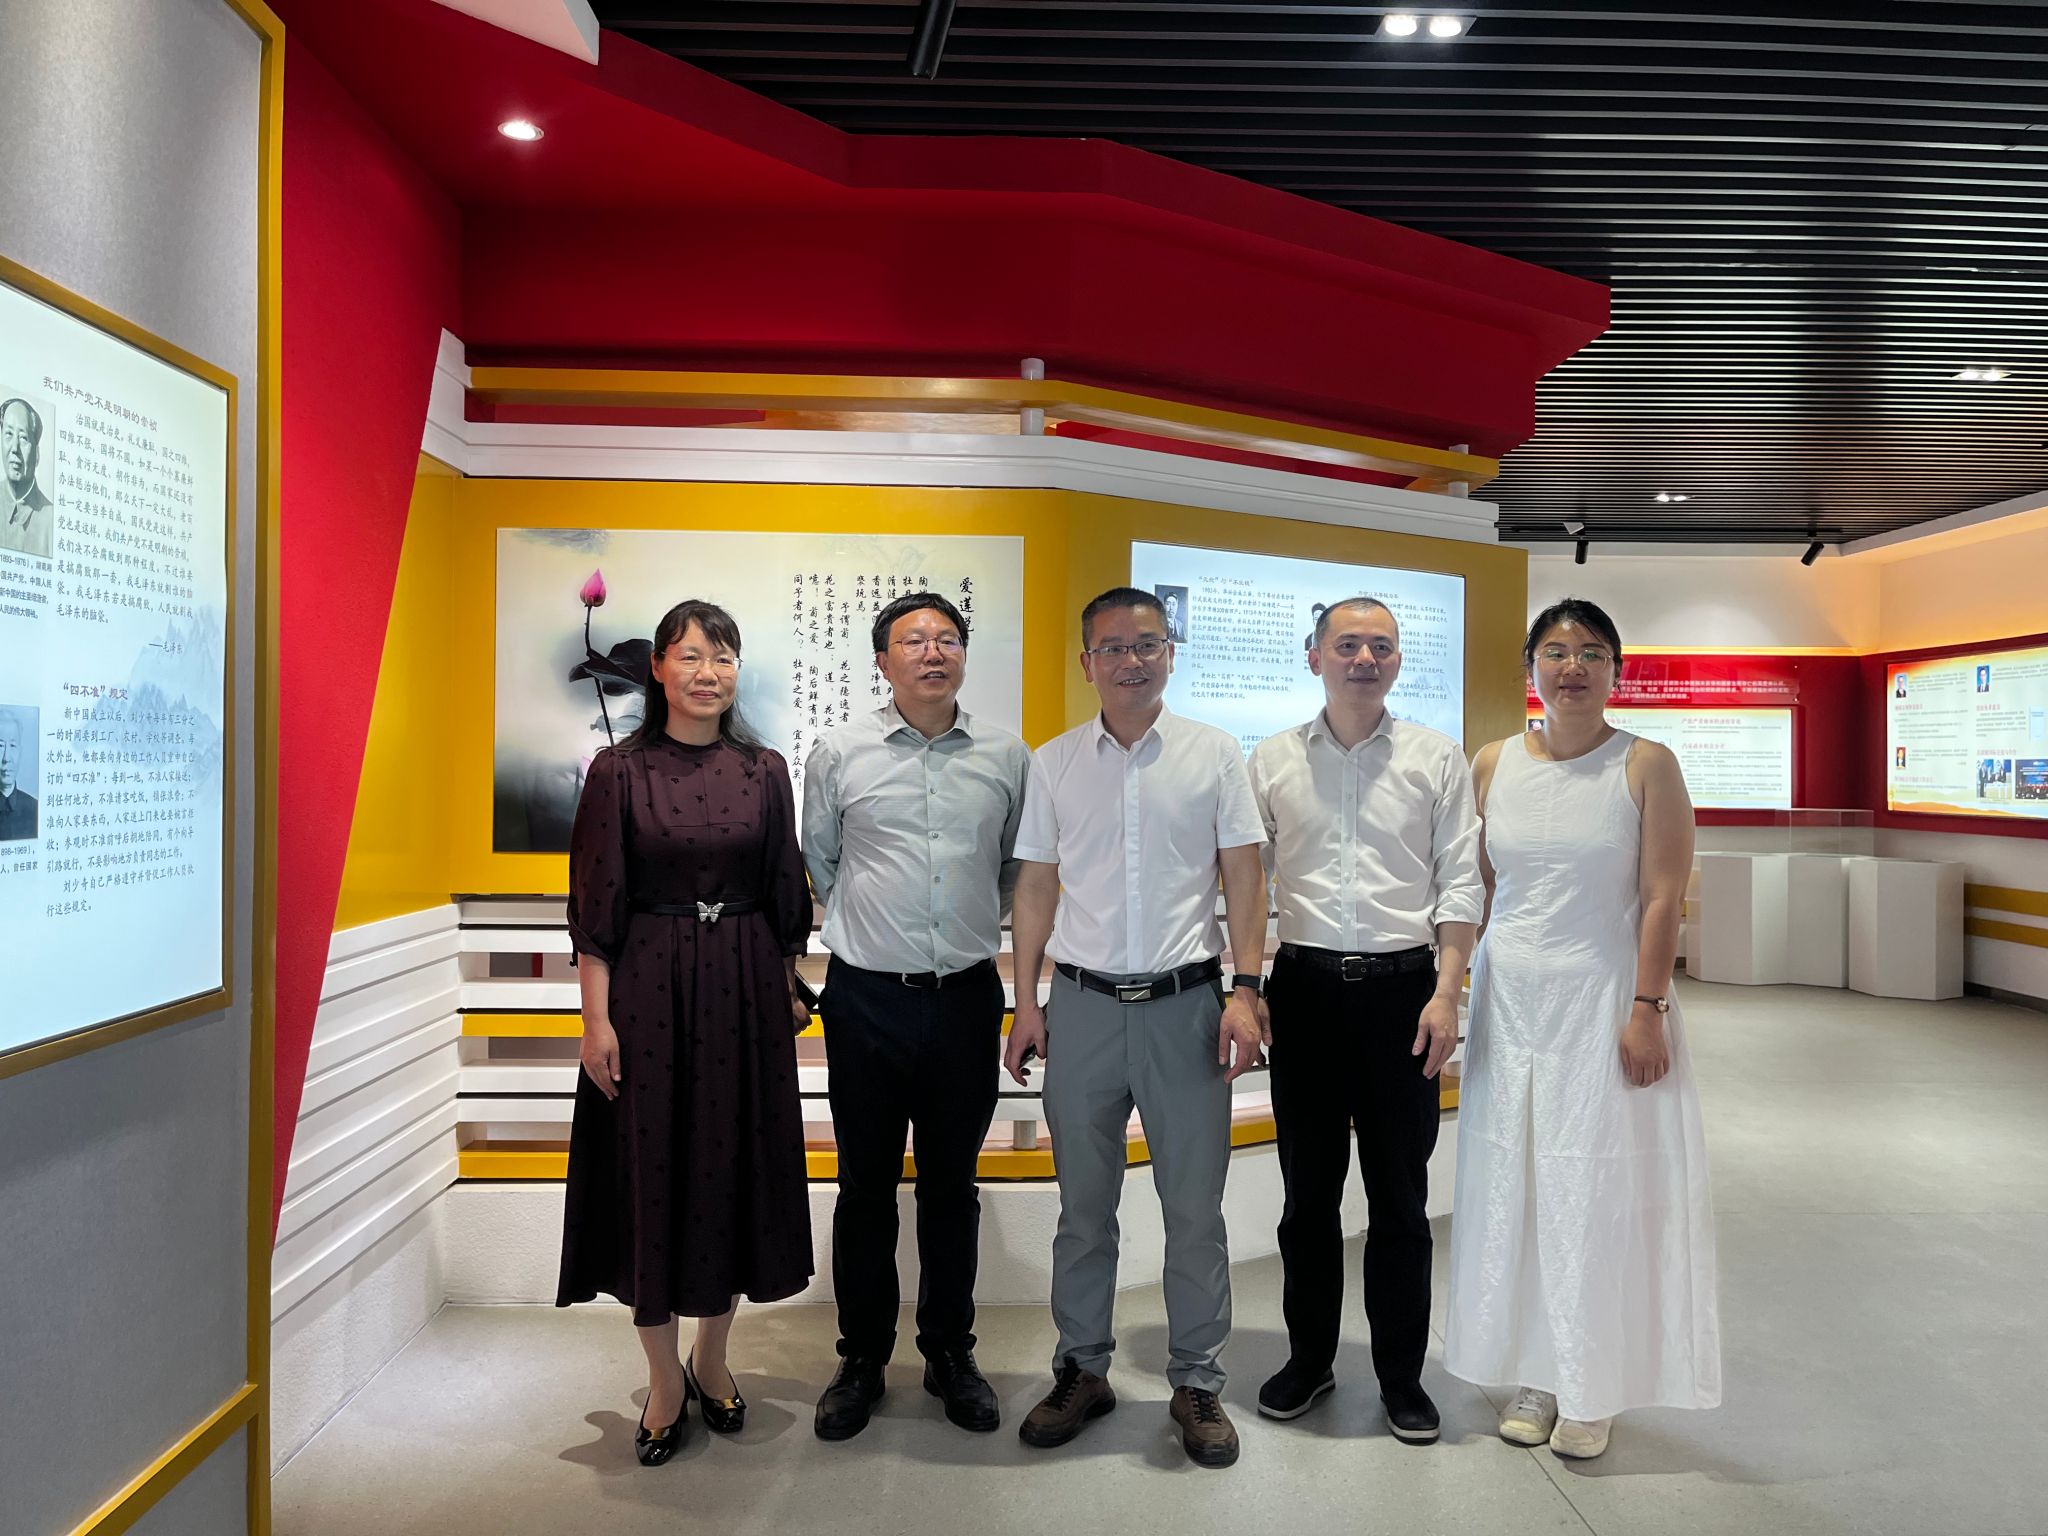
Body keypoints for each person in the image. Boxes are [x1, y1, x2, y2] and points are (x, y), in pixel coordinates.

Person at [1445, 598, 1720, 1460]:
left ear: (1616, 671)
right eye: (1557, 651)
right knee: (1517, 1184)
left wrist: (1648, 1008)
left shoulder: (1645, 764)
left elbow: (1663, 897)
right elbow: (1484, 889)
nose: (1573, 667)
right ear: (1530, 665)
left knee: (1592, 1191)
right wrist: (1458, 988)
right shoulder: (1493, 762)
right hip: (1510, 1003)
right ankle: (1537, 1370)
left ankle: (1590, 1381)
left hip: (1602, 1000)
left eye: (1592, 653)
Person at [1004, 585, 1269, 1469]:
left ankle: (1197, 1380)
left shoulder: (1213, 753)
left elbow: (1243, 875)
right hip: (1081, 1007)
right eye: (1112, 647)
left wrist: (1245, 991)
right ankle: (1083, 1369)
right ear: (1087, 662)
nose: (1131, 660)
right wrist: (1027, 1001)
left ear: (1170, 654)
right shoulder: (1055, 763)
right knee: (1084, 1210)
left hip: (1186, 1007)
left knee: (1193, 1210)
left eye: (1147, 644)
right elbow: (1035, 885)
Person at [556, 599, 815, 1467]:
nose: (709, 672)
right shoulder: (618, 771)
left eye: (724, 656)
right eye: (692, 655)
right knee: (652, 1175)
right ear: (659, 669)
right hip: (648, 991)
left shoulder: (765, 769)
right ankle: (664, 1380)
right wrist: (596, 1022)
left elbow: (784, 890)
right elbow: (596, 908)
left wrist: (787, 983)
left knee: (731, 1172)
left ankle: (712, 1357)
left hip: (745, 989)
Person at [1246, 597, 1481, 1443]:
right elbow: (1246, 881)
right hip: (1304, 994)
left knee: (1401, 1202)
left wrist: (1447, 991)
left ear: (1398, 661)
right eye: (1347, 644)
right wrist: (1246, 984)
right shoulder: (1271, 759)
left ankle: (1401, 1378)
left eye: (1381, 645)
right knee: (1307, 1198)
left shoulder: (1435, 758)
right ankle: (1309, 1360)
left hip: (1404, 996)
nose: (1364, 659)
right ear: (1314, 656)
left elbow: (1461, 881)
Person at [801, 591, 1031, 1441]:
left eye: (948, 638)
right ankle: (861, 1357)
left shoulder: (1007, 756)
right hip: (864, 1000)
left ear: (964, 654)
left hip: (965, 998)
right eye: (913, 641)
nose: (933, 652)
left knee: (951, 1187)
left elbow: (1013, 870)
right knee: (864, 1186)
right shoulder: (840, 752)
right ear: (882, 660)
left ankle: (949, 1353)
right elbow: (821, 860)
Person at [0, 399, 54, 560]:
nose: (14, 448)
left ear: (37, 454)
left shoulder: (51, 520)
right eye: (8, 434)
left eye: (23, 438)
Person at [0, 709, 36, 842]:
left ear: (20, 752)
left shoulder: (35, 808)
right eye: (0, 746)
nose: (6, 758)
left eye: (13, 745)